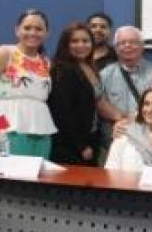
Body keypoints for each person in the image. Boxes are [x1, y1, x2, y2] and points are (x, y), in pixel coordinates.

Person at [0, 9, 57, 158]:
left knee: (38, 175)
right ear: (17, 30)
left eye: (38, 29)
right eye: (27, 28)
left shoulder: (46, 62)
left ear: (46, 33)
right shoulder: (4, 53)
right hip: (8, 128)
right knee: (11, 176)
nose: (32, 32)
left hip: (42, 127)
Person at [47, 23, 124, 165]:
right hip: (70, 144)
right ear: (65, 44)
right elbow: (62, 113)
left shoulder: (88, 67)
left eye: (85, 41)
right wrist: (80, 145)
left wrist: (123, 117)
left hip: (90, 138)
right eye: (75, 41)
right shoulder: (63, 70)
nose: (81, 45)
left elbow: (98, 101)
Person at [98, 26, 152, 161]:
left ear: (142, 46)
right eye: (122, 43)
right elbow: (99, 103)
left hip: (147, 144)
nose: (127, 46)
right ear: (116, 48)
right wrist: (122, 118)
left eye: (133, 42)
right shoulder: (104, 74)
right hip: (112, 142)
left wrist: (130, 120)